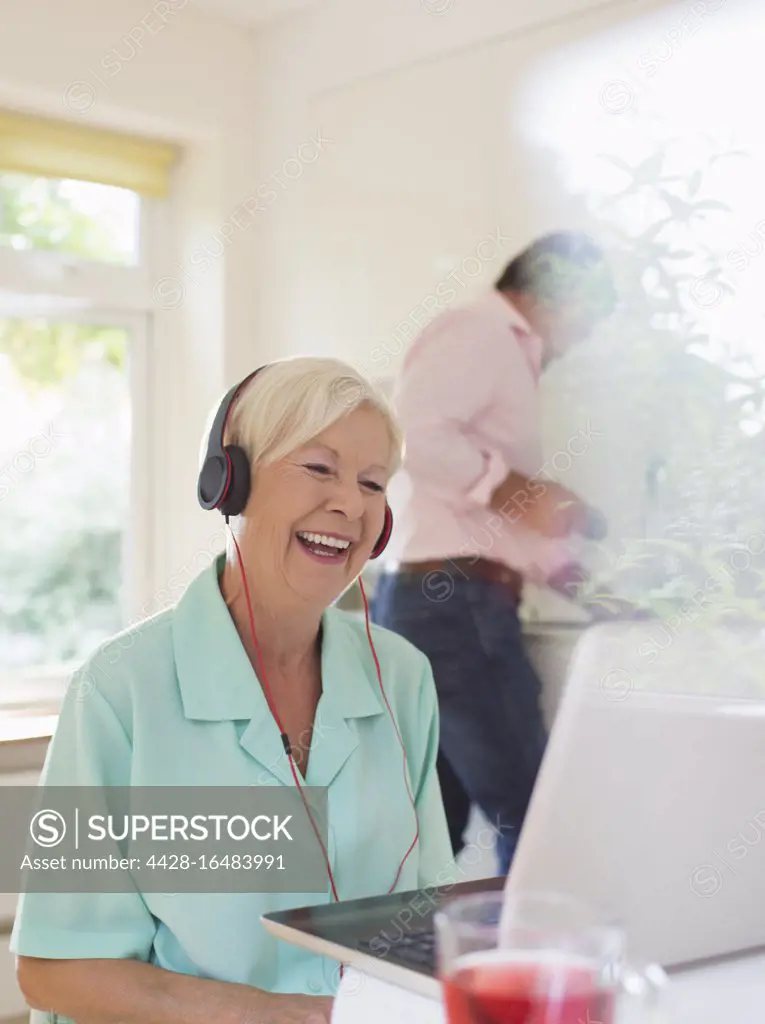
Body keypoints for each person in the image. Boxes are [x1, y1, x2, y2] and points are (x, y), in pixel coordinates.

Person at [12, 357, 453, 1024]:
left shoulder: (403, 678)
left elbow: (431, 921)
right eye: (319, 468)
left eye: (372, 483)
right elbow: (56, 970)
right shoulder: (119, 690)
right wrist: (282, 1015)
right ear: (231, 482)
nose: (350, 504)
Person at [371, 231, 618, 874]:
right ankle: (529, 968)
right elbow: (412, 434)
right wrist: (516, 488)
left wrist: (591, 584)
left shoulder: (495, 347)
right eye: (586, 321)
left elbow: (502, 527)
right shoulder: (483, 332)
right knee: (535, 815)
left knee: (435, 826)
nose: (579, 341)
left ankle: (409, 967)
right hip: (454, 606)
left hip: (436, 601)